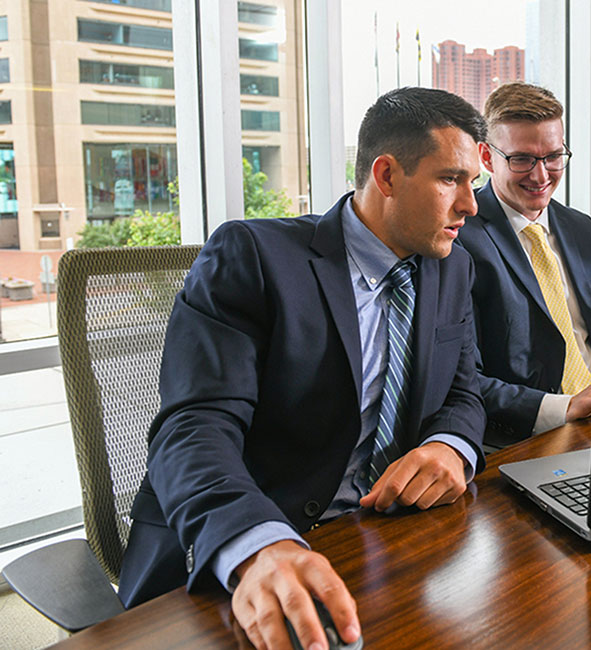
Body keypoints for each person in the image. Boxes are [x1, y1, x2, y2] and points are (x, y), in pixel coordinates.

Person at [117, 87, 488, 650]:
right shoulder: (253, 257)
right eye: (450, 180)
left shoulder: (451, 265)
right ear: (386, 176)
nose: (471, 206)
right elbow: (194, 428)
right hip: (242, 556)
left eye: (473, 184)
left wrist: (450, 446)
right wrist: (256, 542)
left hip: (379, 544)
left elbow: (464, 393)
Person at [456, 82, 591, 449]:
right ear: (486, 157)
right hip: (525, 437)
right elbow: (465, 380)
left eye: (553, 157)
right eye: (522, 159)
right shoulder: (461, 241)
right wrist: (565, 407)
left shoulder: (581, 228)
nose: (541, 176)